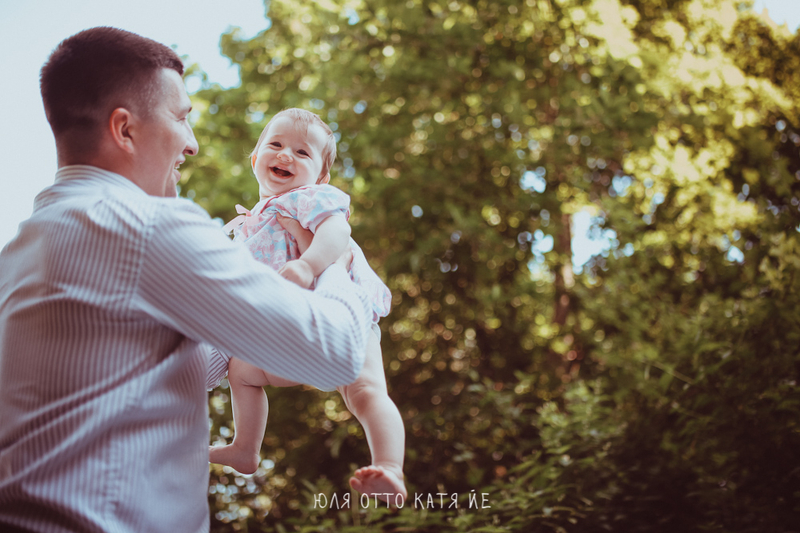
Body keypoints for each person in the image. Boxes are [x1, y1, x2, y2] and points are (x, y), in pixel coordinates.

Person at [0, 27, 372, 533]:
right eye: (180, 118)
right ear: (125, 129)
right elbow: (335, 352)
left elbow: (175, 371)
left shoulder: (21, 251)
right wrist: (335, 264)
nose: (192, 144)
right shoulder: (145, 227)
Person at [209, 108, 407, 503]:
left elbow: (338, 231)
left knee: (365, 390)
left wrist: (307, 264)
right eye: (276, 144)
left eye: (302, 152)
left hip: (346, 315)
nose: (286, 155)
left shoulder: (308, 198)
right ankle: (245, 449)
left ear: (321, 177)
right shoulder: (250, 224)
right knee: (241, 371)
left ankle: (389, 467)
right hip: (295, 329)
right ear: (255, 158)